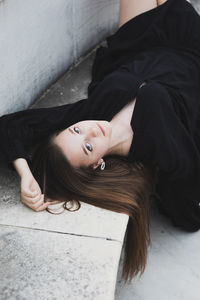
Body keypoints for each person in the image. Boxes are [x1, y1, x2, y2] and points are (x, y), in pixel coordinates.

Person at [0, 0, 199, 284]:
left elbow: (10, 126)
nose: (91, 131)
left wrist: (25, 173)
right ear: (97, 165)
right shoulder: (158, 144)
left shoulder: (91, 115)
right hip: (191, 51)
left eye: (76, 131)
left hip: (138, 44)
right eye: (88, 147)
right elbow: (191, 209)